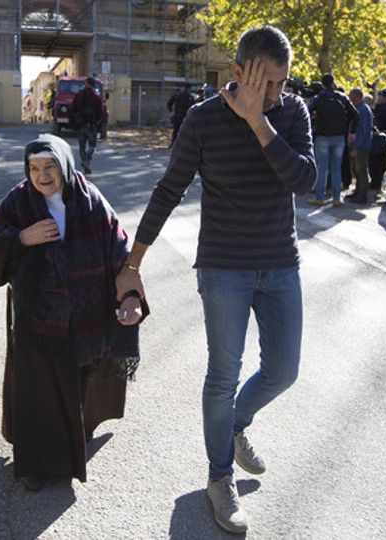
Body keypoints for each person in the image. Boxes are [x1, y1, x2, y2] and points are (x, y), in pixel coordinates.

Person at [115, 25, 315, 535]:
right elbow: (168, 190)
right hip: (223, 266)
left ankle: (237, 424)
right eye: (264, 83)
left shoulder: (292, 112)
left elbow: (306, 180)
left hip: (280, 264)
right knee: (223, 374)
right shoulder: (202, 121)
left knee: (284, 371)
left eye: (281, 84)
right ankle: (219, 476)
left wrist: (258, 122)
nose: (274, 94)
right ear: (238, 72)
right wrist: (133, 263)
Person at [0, 134, 145, 492]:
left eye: (49, 166)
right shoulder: (18, 201)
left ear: (65, 165)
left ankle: (79, 433)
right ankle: (38, 465)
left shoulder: (90, 199)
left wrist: (129, 296)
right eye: (34, 168)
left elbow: (119, 245)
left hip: (87, 313)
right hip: (38, 318)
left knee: (81, 383)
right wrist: (23, 238)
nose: (42, 176)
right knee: (39, 395)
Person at [306, 73, 358, 206]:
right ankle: (336, 198)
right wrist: (352, 131)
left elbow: (307, 110)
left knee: (322, 167)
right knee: (336, 167)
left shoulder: (320, 98)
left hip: (323, 135)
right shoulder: (341, 97)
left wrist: (314, 120)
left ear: (322, 84)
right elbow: (355, 114)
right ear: (333, 83)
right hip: (339, 136)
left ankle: (320, 197)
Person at [70, 77, 104, 175]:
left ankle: (85, 162)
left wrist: (74, 120)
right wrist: (96, 121)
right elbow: (100, 113)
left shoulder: (78, 95)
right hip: (91, 124)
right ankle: (87, 161)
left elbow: (73, 109)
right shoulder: (97, 97)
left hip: (80, 124)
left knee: (81, 146)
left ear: (87, 83)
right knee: (92, 145)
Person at [345, 88, 373, 204]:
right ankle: (357, 191)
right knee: (356, 170)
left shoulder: (363, 110)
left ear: (357, 96)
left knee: (361, 170)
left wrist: (356, 147)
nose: (349, 98)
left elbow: (362, 130)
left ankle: (363, 195)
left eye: (351, 96)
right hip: (355, 144)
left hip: (361, 146)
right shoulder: (358, 108)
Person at [167, 83, 195, 147]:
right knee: (187, 131)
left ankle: (173, 143)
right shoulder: (190, 96)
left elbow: (169, 104)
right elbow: (193, 106)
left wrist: (171, 112)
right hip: (187, 116)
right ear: (188, 89)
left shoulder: (177, 95)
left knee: (176, 130)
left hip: (178, 116)